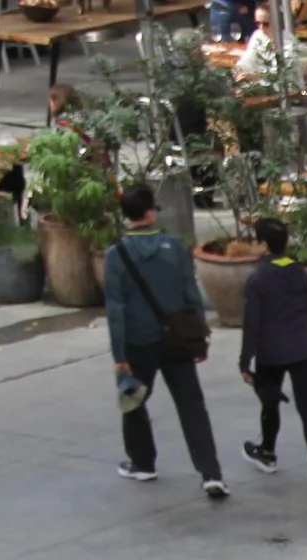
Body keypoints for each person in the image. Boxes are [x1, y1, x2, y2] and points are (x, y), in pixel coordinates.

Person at [106, 182, 226, 499]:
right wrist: (200, 338)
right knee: (191, 405)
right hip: (177, 339)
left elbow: (115, 309)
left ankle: (142, 462)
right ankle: (211, 473)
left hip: (137, 341)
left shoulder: (116, 255)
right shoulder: (174, 248)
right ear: (150, 213)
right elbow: (191, 295)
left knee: (133, 399)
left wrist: (119, 355)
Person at [237, 216, 307, 494]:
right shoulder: (298, 271)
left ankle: (267, 453)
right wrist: (303, 337)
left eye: (255, 240)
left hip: (271, 352)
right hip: (304, 349)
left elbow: (252, 326)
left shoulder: (257, 280)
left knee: (270, 402)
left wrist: (245, 362)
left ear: (264, 245)